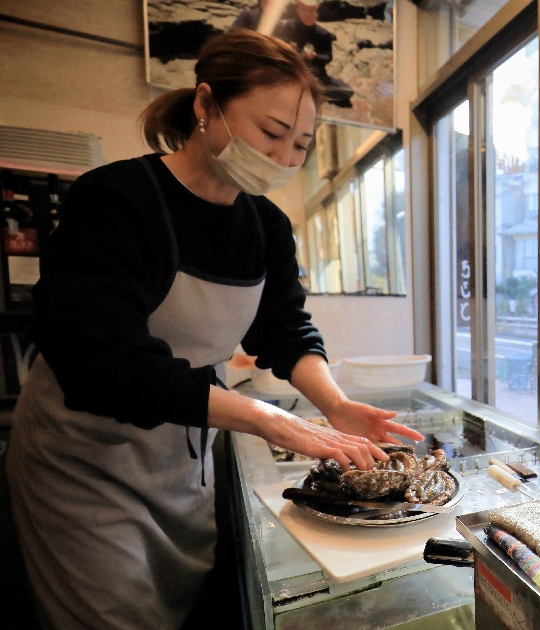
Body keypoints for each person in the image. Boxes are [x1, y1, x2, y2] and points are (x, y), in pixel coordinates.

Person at [6, 30, 422, 629]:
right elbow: (101, 359)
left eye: (301, 144)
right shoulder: (118, 200)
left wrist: (333, 404)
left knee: (180, 604)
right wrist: (268, 418)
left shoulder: (266, 227)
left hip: (183, 457)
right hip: (85, 462)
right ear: (205, 105)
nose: (283, 160)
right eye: (271, 134)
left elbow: (285, 327)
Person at [278, 0, 355, 108]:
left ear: (317, 13)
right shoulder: (289, 27)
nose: (307, 14)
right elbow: (279, 47)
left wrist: (315, 57)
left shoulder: (323, 34)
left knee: (346, 93)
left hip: (316, 75)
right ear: (298, 10)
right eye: (304, 10)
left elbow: (328, 57)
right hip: (292, 73)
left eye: (311, 11)